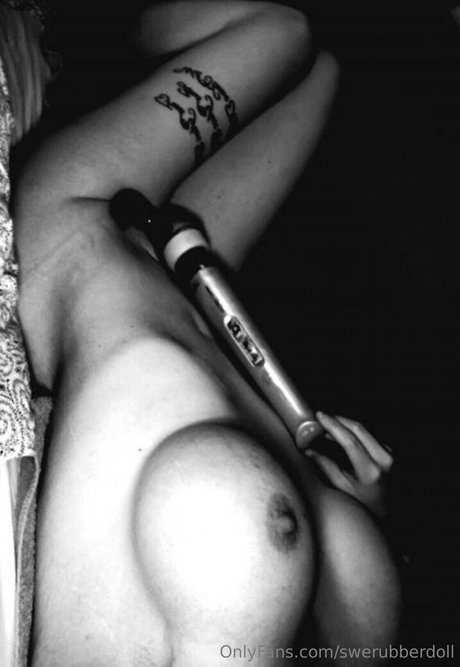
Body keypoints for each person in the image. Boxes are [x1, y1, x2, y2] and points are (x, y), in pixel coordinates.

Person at [9, 1, 400, 665]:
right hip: (205, 308)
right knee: (319, 70)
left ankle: (81, 31)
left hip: (79, 237)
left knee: (286, 32)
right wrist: (371, 513)